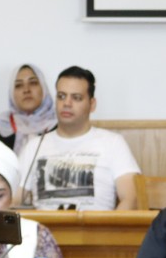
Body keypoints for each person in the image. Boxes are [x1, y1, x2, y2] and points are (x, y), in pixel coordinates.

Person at [16, 66, 141, 210]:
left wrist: (111, 225)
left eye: (76, 98)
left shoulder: (113, 143)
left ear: (92, 104)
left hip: (98, 224)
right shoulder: (34, 146)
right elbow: (13, 200)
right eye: (61, 96)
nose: (67, 103)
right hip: (43, 225)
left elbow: (131, 199)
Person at [0, 64, 56, 155]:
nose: (26, 90)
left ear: (44, 88)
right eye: (18, 85)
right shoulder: (1, 127)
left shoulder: (59, 125)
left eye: (33, 83)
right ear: (11, 93)